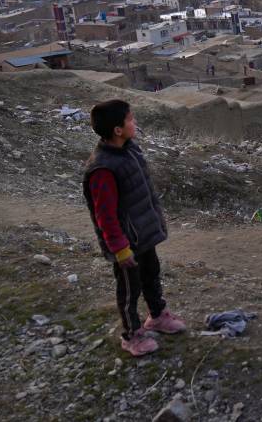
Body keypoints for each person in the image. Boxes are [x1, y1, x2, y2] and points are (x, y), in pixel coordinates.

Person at [82, 100, 186, 357]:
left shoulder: (129, 150)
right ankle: (131, 334)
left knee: (152, 274)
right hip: (126, 245)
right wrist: (120, 248)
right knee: (130, 288)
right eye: (130, 120)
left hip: (143, 235)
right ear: (118, 129)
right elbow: (104, 216)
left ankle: (157, 315)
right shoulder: (103, 169)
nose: (134, 123)